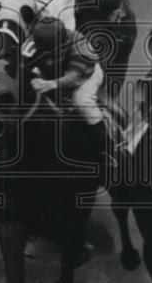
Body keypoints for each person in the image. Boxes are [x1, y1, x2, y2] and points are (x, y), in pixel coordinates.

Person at [25, 16, 117, 169]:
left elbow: (75, 77)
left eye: (51, 49)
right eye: (43, 50)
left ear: (62, 40)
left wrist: (51, 84)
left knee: (81, 101)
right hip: (53, 73)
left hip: (86, 74)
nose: (47, 54)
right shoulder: (31, 43)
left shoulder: (80, 44)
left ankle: (107, 151)